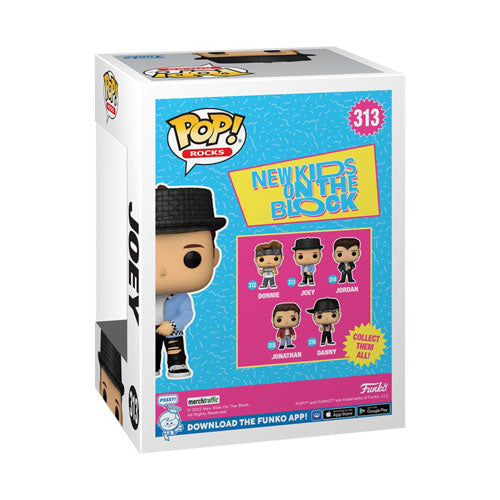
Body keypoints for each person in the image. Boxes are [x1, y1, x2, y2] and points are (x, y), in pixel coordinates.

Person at [155, 185, 227, 379]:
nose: (162, 271)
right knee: (151, 348)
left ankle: (176, 364)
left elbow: (187, 313)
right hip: (149, 329)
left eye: (192, 258)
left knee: (175, 347)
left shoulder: (180, 298)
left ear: (214, 257)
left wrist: (172, 324)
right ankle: (151, 365)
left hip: (173, 330)